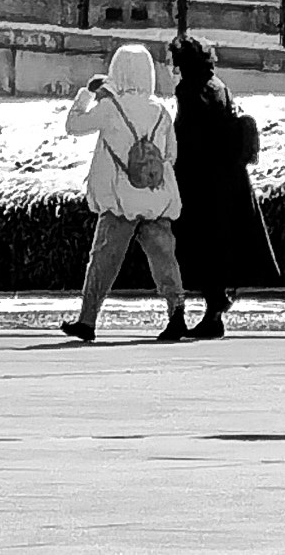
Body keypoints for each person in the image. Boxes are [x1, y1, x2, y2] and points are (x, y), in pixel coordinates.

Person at [60, 39, 188, 342]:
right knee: (165, 259)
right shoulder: (160, 111)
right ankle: (177, 313)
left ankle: (87, 320)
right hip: (156, 198)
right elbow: (171, 154)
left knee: (103, 260)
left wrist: (87, 94)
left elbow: (73, 125)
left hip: (120, 200)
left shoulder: (110, 107)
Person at [169, 32, 281, 338]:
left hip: (202, 181)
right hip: (228, 178)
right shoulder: (218, 85)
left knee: (200, 245)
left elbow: (188, 136)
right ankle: (214, 311)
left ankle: (214, 308)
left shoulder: (189, 90)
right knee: (218, 246)